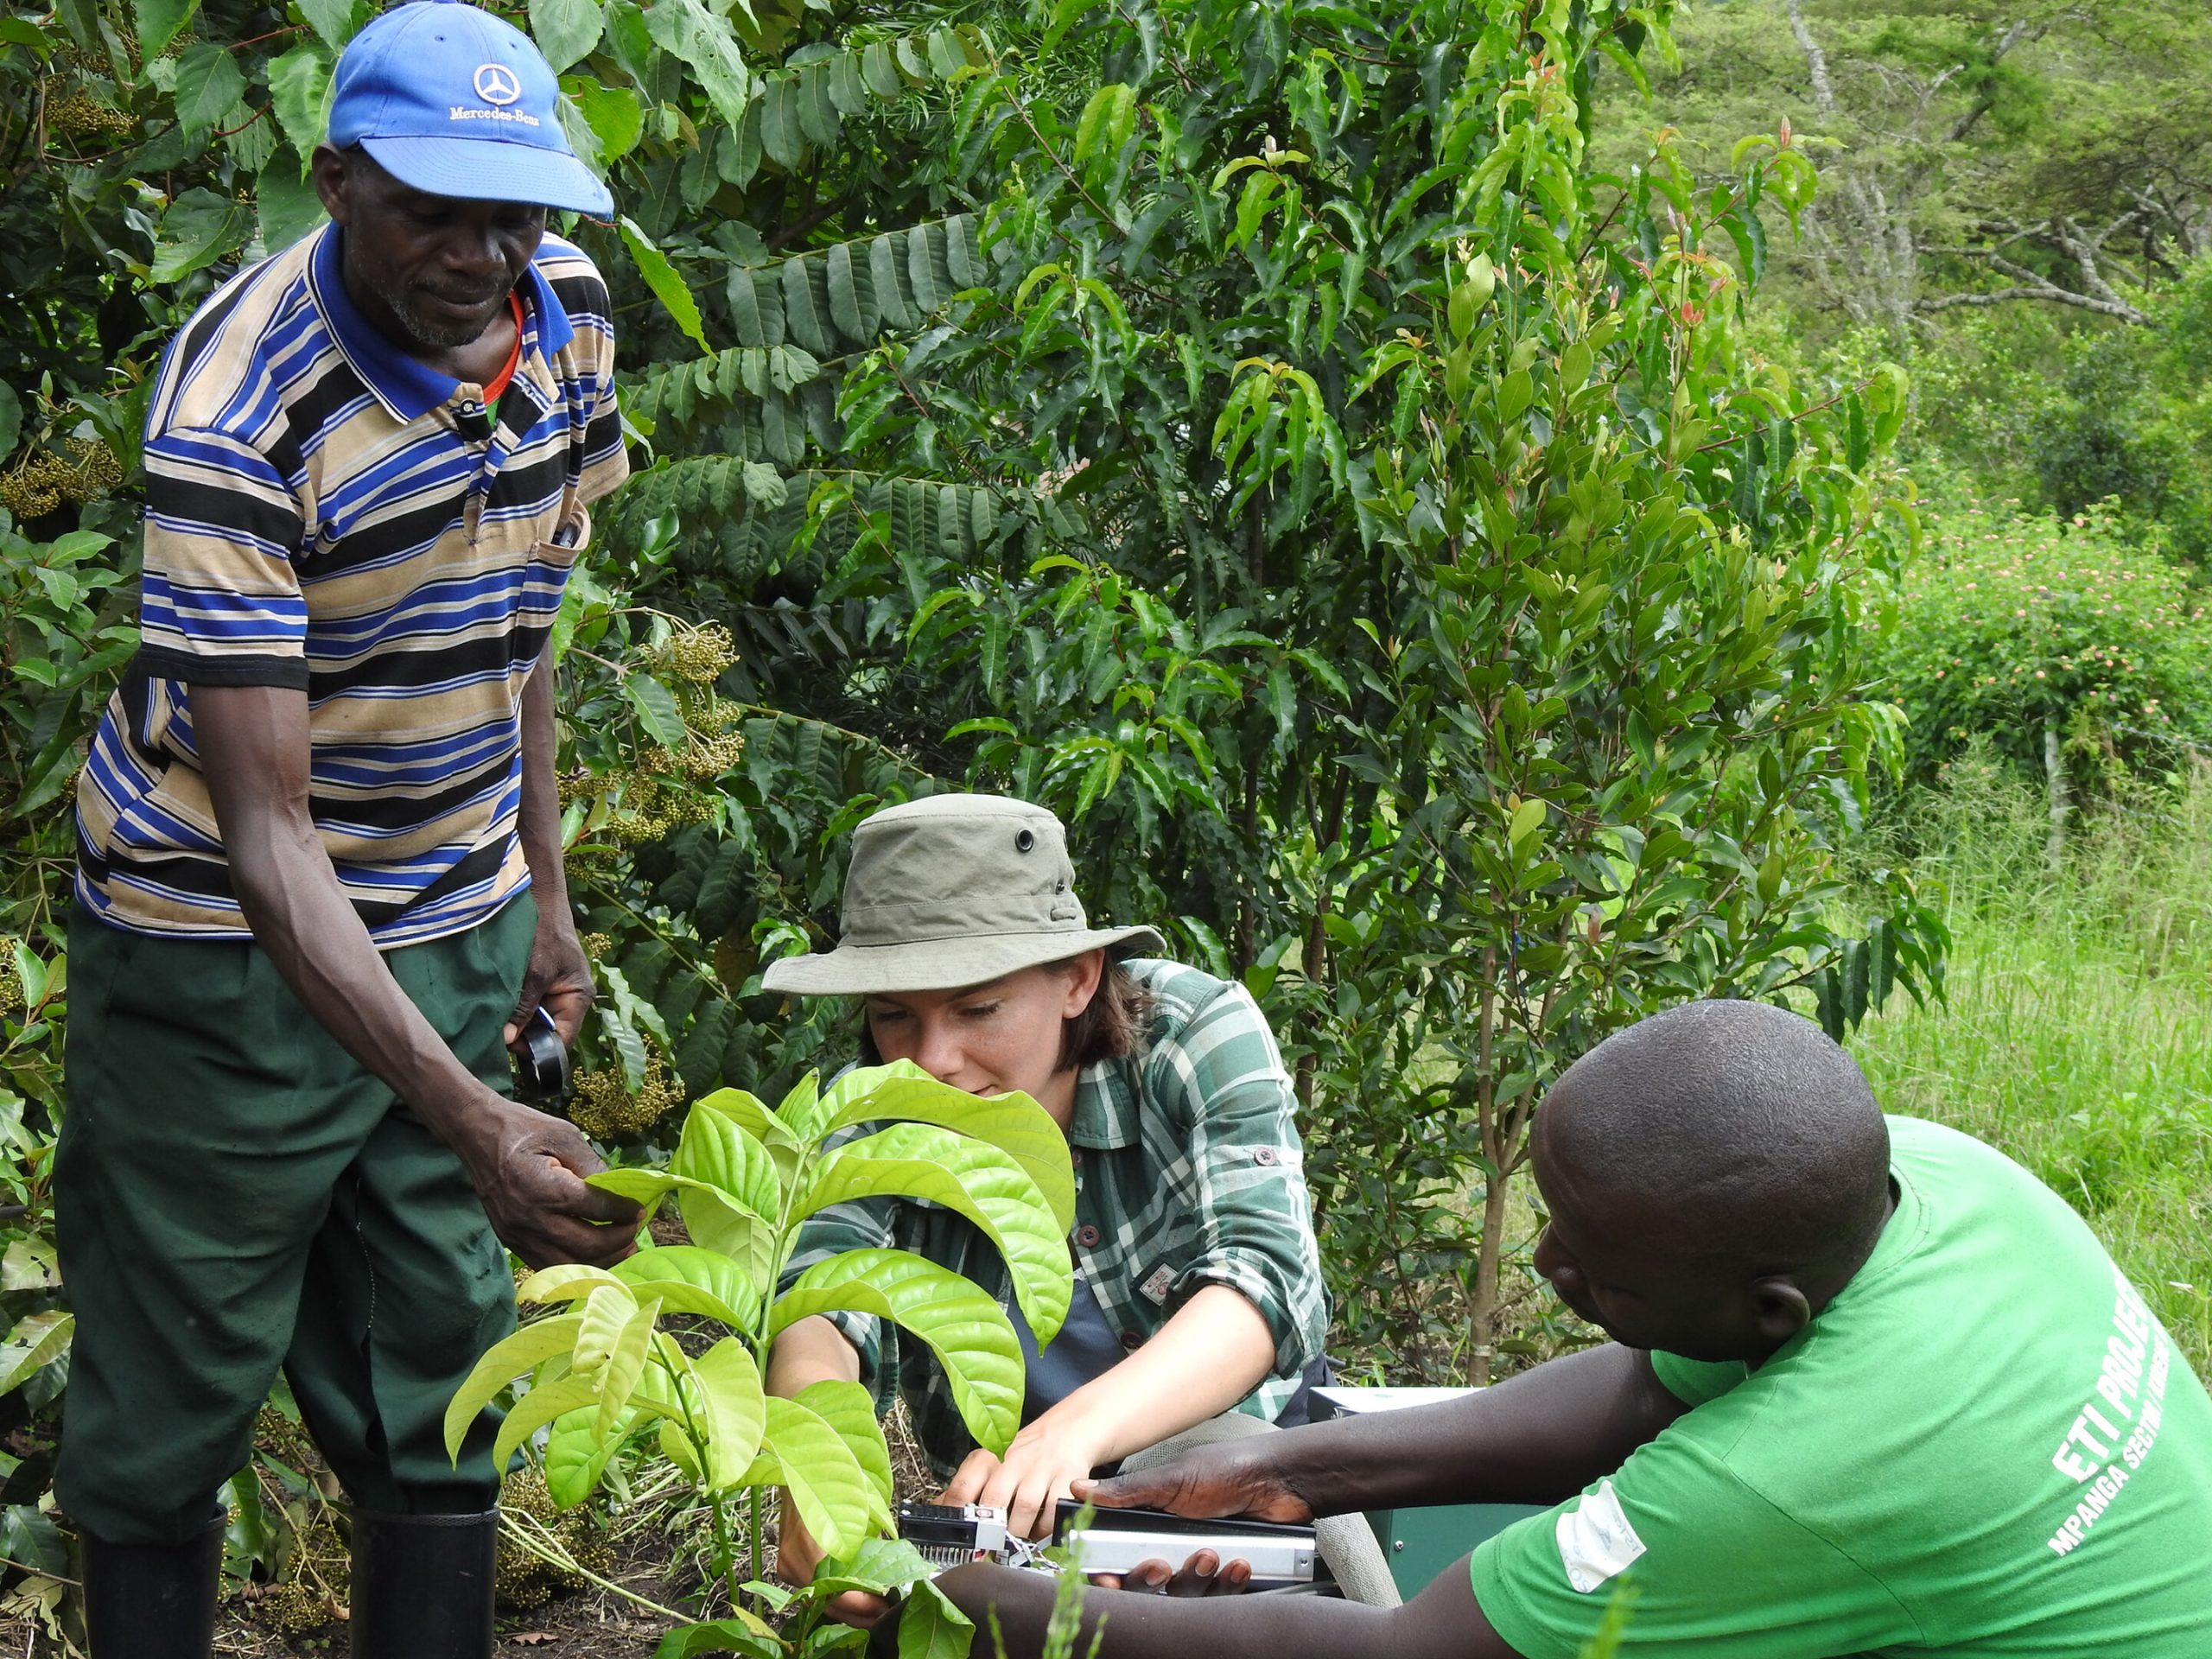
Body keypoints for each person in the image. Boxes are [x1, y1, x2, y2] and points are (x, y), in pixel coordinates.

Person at [55, 4, 642, 1653]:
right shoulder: (239, 410)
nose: (480, 255)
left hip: (455, 906)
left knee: (440, 1367)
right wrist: (471, 1118)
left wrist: (544, 891)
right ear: (335, 182)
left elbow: (520, 614)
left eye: (510, 210)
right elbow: (269, 841)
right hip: (222, 955)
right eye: (428, 211)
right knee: (173, 1385)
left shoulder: (568, 311)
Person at [903, 999, 2212, 1657]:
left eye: (1599, 1269)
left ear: (1769, 1306)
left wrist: (981, 1607)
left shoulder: (1781, 1485)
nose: (1547, 1266)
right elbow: (1650, 1391)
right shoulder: (1933, 1180)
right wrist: (1291, 1469)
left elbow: (1414, 1658)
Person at [760, 793, 1334, 1613]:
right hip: (1021, 1520)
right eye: (894, 1016)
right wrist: (814, 1472)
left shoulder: (1191, 1037)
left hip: (1246, 1475)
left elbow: (1264, 1280)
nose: (934, 1060)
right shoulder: (872, 1114)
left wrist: (1072, 1432)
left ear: (1077, 978)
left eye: (977, 1008)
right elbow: (819, 1301)